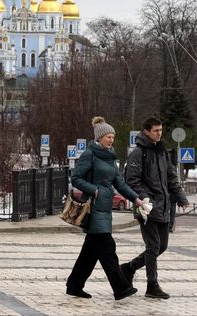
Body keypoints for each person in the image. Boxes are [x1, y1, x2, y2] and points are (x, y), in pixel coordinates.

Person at [66, 117, 144, 300]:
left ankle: (74, 285)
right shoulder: (89, 154)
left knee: (90, 253)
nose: (111, 140)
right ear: (99, 138)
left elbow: (120, 183)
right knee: (108, 248)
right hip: (93, 210)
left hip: (105, 210)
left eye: (113, 137)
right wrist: (94, 190)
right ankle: (121, 287)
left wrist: (136, 199)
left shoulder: (110, 158)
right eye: (108, 136)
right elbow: (75, 177)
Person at [122, 117, 189, 299]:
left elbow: (171, 176)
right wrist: (145, 199)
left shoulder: (162, 152)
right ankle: (152, 285)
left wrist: (181, 197)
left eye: (161, 130)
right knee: (153, 246)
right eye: (155, 130)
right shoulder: (138, 153)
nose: (159, 133)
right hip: (147, 207)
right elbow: (132, 181)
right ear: (146, 131)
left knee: (162, 246)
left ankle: (129, 268)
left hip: (163, 206)